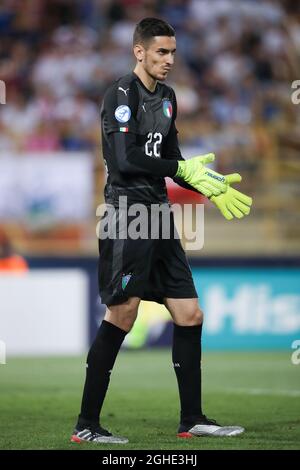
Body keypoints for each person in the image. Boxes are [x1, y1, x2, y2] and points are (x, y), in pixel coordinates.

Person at [71, 17, 252, 444]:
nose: (169, 60)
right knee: (123, 313)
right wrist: (179, 168)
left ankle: (192, 419)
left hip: (159, 215)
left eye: (172, 52)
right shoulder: (120, 93)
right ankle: (87, 425)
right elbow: (125, 158)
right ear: (140, 52)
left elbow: (172, 158)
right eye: (161, 53)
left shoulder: (168, 98)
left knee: (191, 315)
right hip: (127, 215)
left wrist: (208, 183)